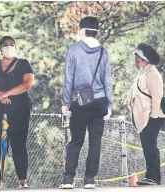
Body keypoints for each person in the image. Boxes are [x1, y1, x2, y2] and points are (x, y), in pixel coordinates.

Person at [61, 16, 113, 189]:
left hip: (79, 102)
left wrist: (66, 103)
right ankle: (90, 179)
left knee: (75, 140)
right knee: (95, 142)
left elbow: (69, 79)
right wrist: (110, 105)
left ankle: (69, 179)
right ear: (97, 32)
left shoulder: (73, 50)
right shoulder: (103, 52)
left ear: (81, 31)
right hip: (99, 103)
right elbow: (107, 81)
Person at [0, 36, 34, 189]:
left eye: (12, 44)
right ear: (0, 48)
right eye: (5, 45)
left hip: (20, 108)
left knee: (19, 143)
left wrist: (7, 94)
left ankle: (22, 181)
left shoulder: (24, 64)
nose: (9, 47)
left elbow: (27, 83)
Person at [127, 43, 165, 186]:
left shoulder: (153, 74)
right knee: (149, 145)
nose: (136, 64)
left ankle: (151, 176)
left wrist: (154, 116)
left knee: (149, 145)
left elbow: (157, 96)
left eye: (138, 61)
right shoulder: (143, 74)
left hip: (153, 116)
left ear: (145, 61)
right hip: (146, 116)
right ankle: (155, 177)